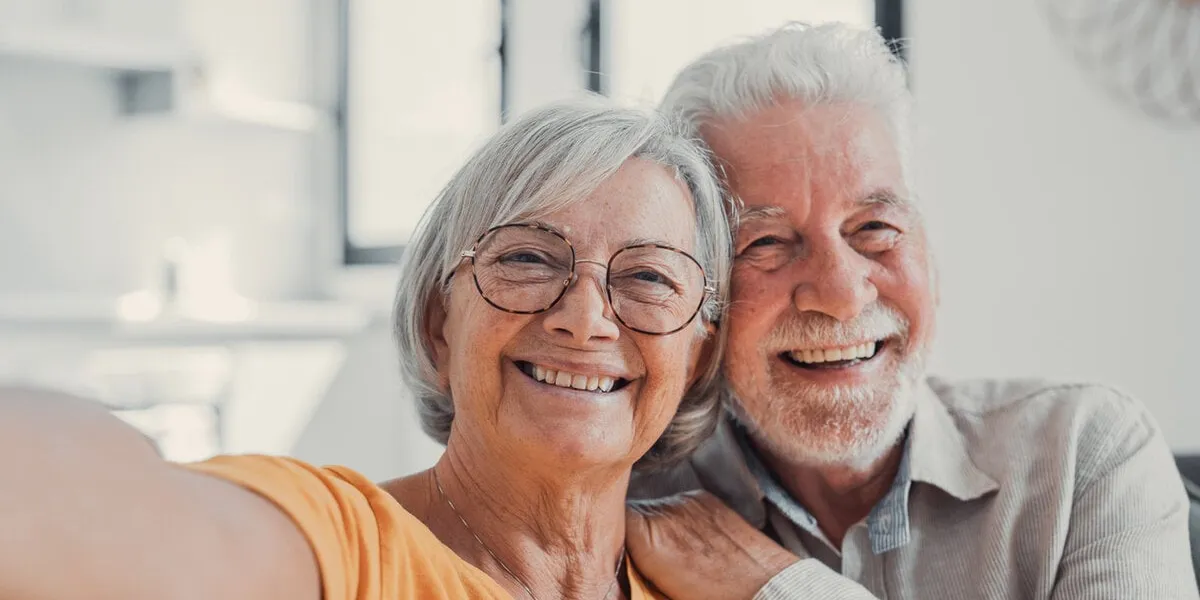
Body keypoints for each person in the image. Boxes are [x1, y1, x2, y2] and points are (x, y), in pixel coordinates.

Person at [0, 96, 752, 600]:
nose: (584, 320)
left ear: (696, 356)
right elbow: (102, 513)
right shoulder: (347, 548)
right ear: (437, 324)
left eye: (649, 277)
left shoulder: (710, 583)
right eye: (527, 258)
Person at [624, 23, 1200, 600]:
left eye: (875, 228)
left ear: (930, 252)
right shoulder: (626, 497)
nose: (842, 295)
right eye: (766, 242)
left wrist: (776, 585)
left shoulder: (1087, 455)